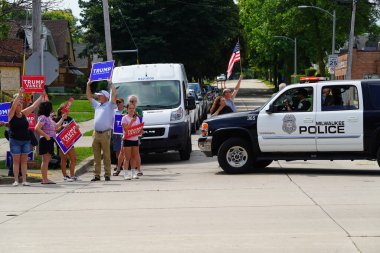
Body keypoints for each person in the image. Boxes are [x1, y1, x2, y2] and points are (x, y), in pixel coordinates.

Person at [8, 88, 44, 186]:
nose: (19, 106)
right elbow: (14, 105)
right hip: (15, 140)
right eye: (17, 105)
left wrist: (41, 96)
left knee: (24, 161)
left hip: (25, 141)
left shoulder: (23, 114)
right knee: (16, 161)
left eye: (20, 105)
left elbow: (33, 106)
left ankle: (24, 180)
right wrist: (19, 94)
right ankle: (16, 180)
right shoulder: (11, 115)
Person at [86, 79, 117, 181]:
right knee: (96, 156)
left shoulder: (110, 105)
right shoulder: (97, 105)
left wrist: (111, 83)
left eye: (100, 95)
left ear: (106, 97)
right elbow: (89, 97)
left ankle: (107, 174)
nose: (98, 97)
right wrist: (88, 85)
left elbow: (114, 95)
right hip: (96, 133)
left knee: (107, 156)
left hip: (105, 133)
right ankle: (97, 175)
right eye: (98, 95)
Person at [35, 101, 67, 184]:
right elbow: (37, 128)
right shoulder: (42, 117)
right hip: (45, 140)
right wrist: (46, 135)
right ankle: (44, 179)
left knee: (47, 159)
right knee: (45, 160)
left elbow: (56, 126)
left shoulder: (48, 117)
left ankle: (45, 178)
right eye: (50, 107)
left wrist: (62, 118)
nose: (51, 109)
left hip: (50, 140)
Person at [54, 104, 79, 182]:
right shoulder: (57, 119)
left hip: (69, 141)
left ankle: (72, 175)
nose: (67, 111)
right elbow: (55, 130)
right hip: (61, 141)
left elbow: (74, 128)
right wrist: (62, 127)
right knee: (64, 159)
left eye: (68, 109)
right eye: (66, 109)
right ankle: (65, 176)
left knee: (73, 158)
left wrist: (76, 127)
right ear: (62, 111)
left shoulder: (70, 118)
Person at [121, 103, 143, 180]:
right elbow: (126, 129)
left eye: (133, 108)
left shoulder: (137, 118)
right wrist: (131, 121)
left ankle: (134, 172)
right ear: (127, 109)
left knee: (134, 157)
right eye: (130, 108)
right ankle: (126, 173)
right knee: (127, 158)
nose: (131, 110)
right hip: (127, 139)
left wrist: (141, 131)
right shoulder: (124, 118)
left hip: (135, 139)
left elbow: (138, 129)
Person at [128, 95, 143, 176]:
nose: (132, 103)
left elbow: (140, 119)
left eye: (134, 101)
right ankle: (127, 170)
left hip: (135, 134)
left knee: (136, 153)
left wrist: (135, 112)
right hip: (127, 135)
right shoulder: (126, 109)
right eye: (131, 101)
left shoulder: (139, 110)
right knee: (126, 154)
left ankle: (139, 169)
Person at [113, 98, 126, 176]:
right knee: (117, 149)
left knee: (125, 150)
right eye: (117, 102)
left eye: (119, 102)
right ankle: (119, 165)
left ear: (123, 103)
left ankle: (125, 165)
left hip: (125, 133)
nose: (118, 103)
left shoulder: (126, 111)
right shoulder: (114, 111)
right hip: (116, 133)